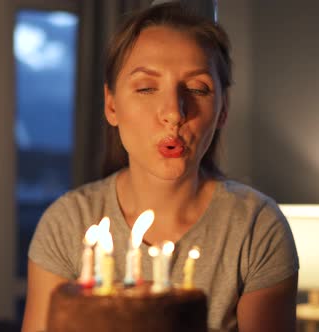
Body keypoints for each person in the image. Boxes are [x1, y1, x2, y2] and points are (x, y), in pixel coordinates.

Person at [22, 3, 298, 332]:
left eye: (198, 89)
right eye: (146, 88)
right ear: (111, 105)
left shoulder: (254, 229)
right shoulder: (68, 225)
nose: (174, 112)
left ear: (223, 110)